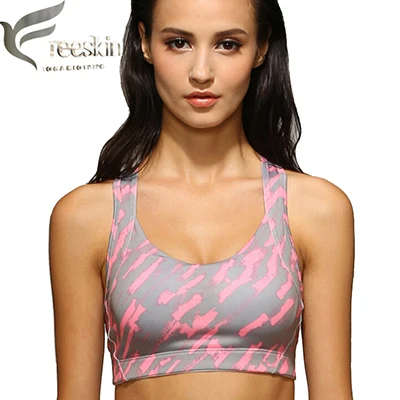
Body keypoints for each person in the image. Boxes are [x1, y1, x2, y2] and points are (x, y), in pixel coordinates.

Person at [48, 0, 355, 399]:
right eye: (179, 43)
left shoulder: (315, 210)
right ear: (144, 42)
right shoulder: (87, 217)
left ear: (261, 47)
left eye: (228, 44)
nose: (201, 73)